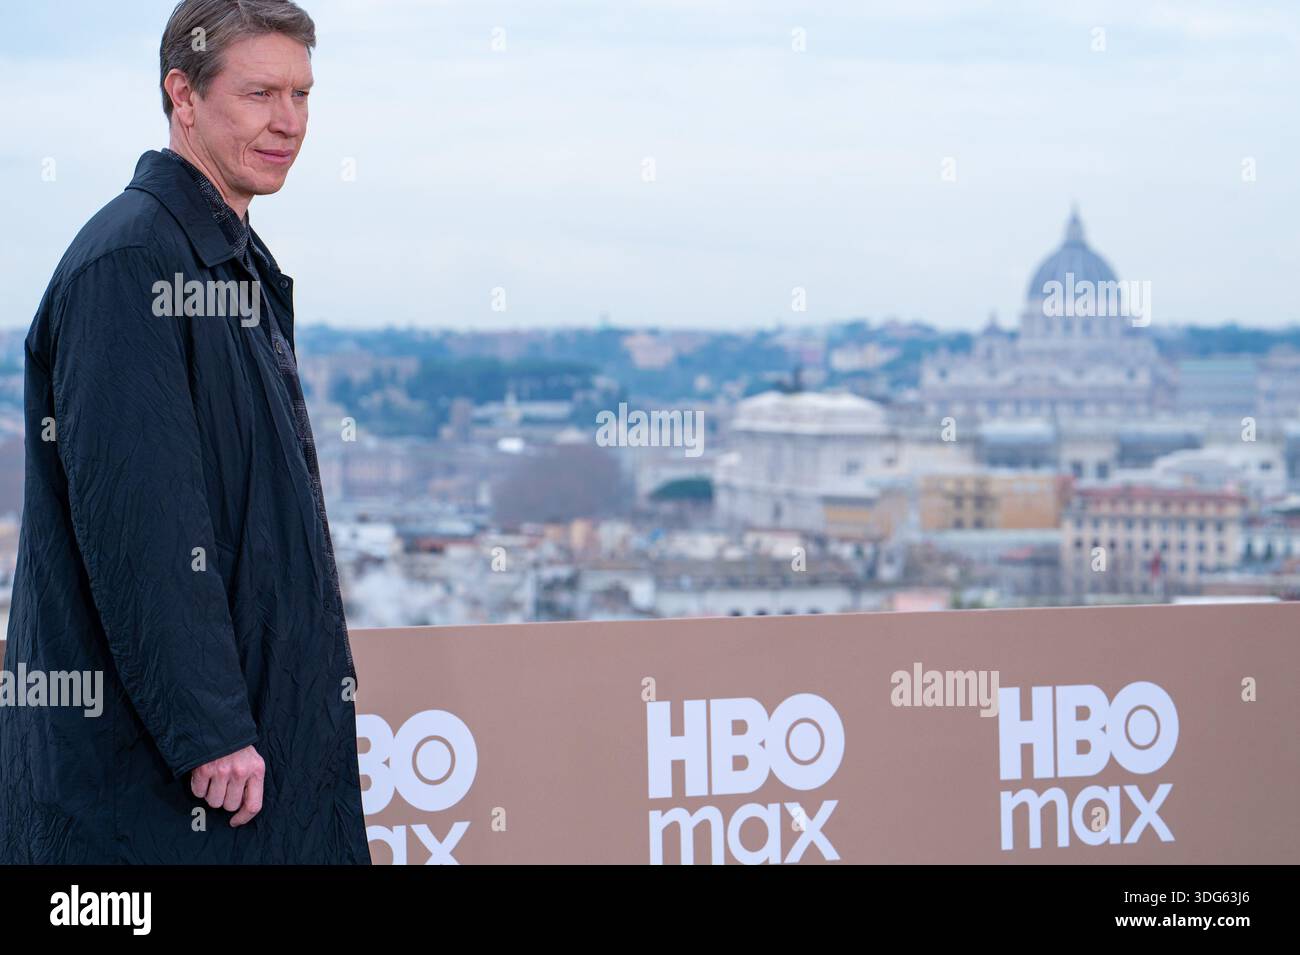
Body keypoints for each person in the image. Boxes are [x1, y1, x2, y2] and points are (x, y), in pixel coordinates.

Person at [0, 0, 370, 863]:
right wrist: (207, 726)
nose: (289, 123)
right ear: (184, 95)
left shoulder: (225, 259)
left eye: (303, 95)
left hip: (240, 765)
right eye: (259, 93)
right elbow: (143, 523)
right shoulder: (130, 261)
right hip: (164, 790)